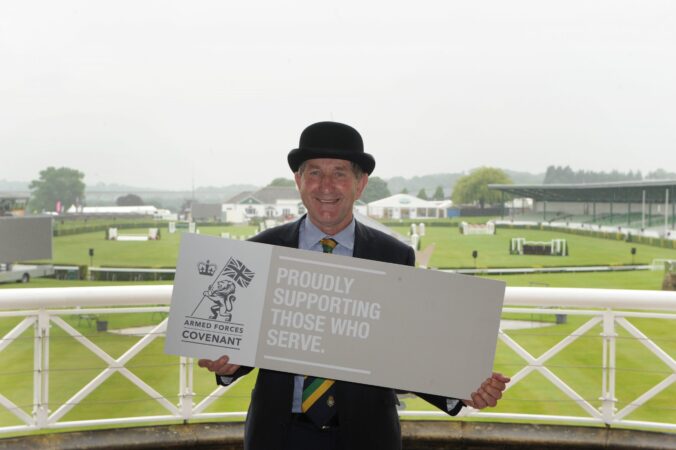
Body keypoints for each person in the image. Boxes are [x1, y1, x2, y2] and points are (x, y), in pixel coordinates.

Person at [198, 121, 510, 450]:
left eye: (340, 173)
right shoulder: (259, 251)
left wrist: (461, 386)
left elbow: (406, 347)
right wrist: (226, 363)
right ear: (298, 181)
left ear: (360, 184)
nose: (326, 186)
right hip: (279, 434)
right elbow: (250, 340)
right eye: (315, 172)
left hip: (366, 434)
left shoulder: (393, 256)